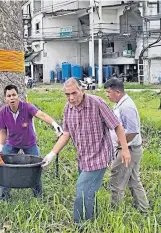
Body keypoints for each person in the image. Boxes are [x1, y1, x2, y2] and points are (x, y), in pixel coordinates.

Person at [42, 77, 131, 223]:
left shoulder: (97, 103)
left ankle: (81, 226)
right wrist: (52, 153)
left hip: (99, 156)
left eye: (74, 93)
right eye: (67, 94)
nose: (71, 98)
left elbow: (117, 126)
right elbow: (66, 133)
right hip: (82, 157)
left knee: (82, 190)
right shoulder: (68, 108)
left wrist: (125, 149)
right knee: (89, 191)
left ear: (82, 90)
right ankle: (92, 218)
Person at [0, 84, 63, 200]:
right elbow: (2, 131)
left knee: (36, 168)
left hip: (29, 143)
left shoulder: (27, 107)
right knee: (4, 167)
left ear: (18, 96)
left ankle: (38, 196)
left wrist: (54, 124)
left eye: (14, 95)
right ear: (5, 99)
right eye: (9, 96)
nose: (12, 98)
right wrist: (0, 146)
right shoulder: (2, 112)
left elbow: (41, 115)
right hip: (12, 143)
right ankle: (5, 197)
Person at [104, 78, 149, 212]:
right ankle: (143, 209)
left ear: (117, 92)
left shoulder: (126, 107)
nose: (107, 95)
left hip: (129, 149)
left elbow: (133, 131)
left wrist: (120, 145)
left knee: (116, 179)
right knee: (134, 180)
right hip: (131, 148)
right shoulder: (120, 104)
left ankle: (115, 212)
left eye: (108, 92)